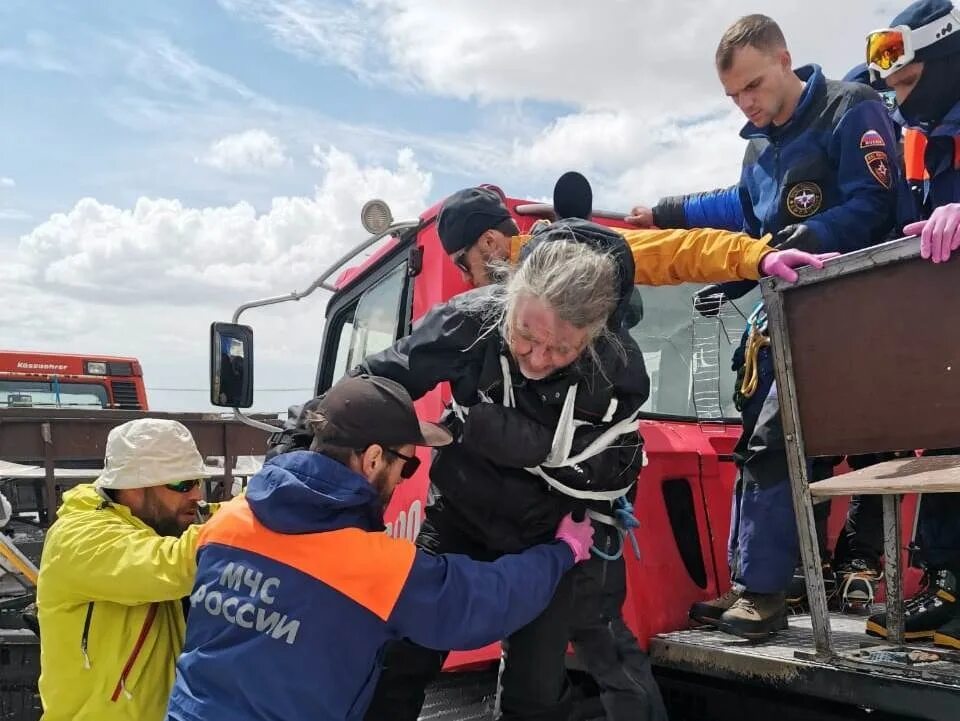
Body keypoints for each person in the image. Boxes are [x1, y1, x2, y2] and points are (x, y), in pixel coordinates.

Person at [628, 13, 906, 639]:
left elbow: (874, 202)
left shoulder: (850, 108)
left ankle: (763, 594)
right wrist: (663, 212)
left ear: (784, 58)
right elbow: (738, 207)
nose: (745, 104)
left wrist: (803, 239)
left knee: (776, 442)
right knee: (758, 440)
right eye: (732, 95)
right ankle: (765, 583)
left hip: (856, 313)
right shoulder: (759, 148)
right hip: (789, 320)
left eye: (752, 86)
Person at [165, 374, 594, 721]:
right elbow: (482, 601)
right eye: (406, 465)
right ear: (372, 459)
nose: (405, 477)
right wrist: (562, 552)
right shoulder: (369, 567)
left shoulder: (226, 523)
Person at [358, 227, 650, 721]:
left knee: (534, 695)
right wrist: (304, 439)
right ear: (508, 301)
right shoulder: (470, 321)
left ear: (595, 332)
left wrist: (477, 428)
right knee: (403, 659)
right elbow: (378, 378)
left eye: (561, 350)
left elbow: (611, 459)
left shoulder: (617, 366)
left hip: (548, 538)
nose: (537, 359)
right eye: (525, 336)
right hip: (457, 520)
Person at [861, 0, 960, 649]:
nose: (898, 102)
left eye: (907, 83)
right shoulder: (923, 133)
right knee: (947, 438)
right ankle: (949, 584)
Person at [36, 418, 212, 721]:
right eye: (182, 484)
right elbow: (173, 565)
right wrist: (249, 514)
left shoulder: (152, 525)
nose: (196, 495)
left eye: (198, 482)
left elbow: (216, 519)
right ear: (133, 486)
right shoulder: (80, 537)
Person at [441, 186, 831, 291]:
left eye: (463, 262)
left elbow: (672, 250)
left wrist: (758, 258)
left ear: (490, 242)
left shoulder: (567, 250)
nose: (464, 277)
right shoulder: (502, 297)